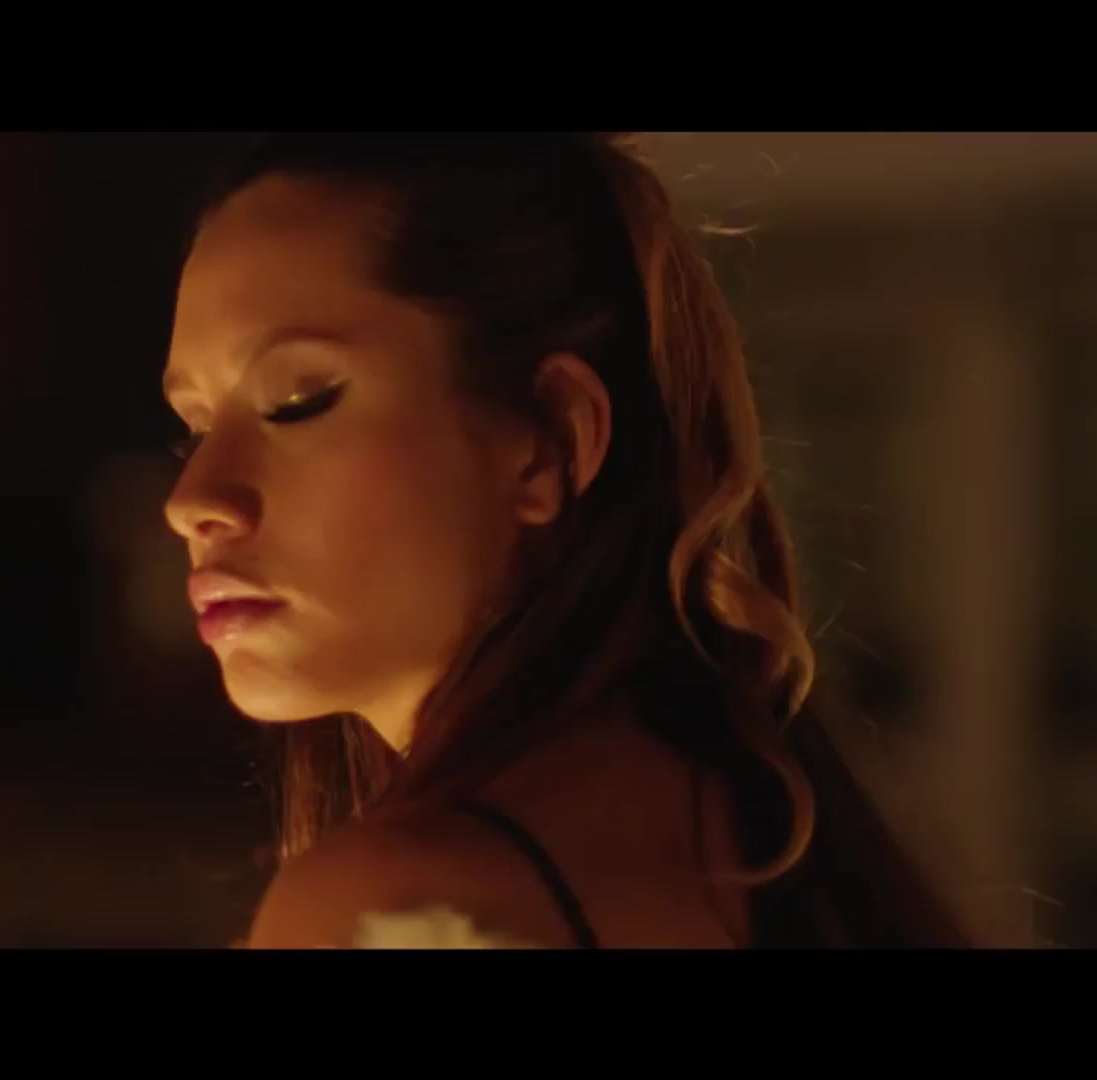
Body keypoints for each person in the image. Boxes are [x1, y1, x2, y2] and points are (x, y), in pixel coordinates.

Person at [159, 132, 974, 948]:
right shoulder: (763, 849)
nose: (194, 501)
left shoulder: (395, 906)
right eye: (195, 427)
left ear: (550, 439)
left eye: (297, 401)